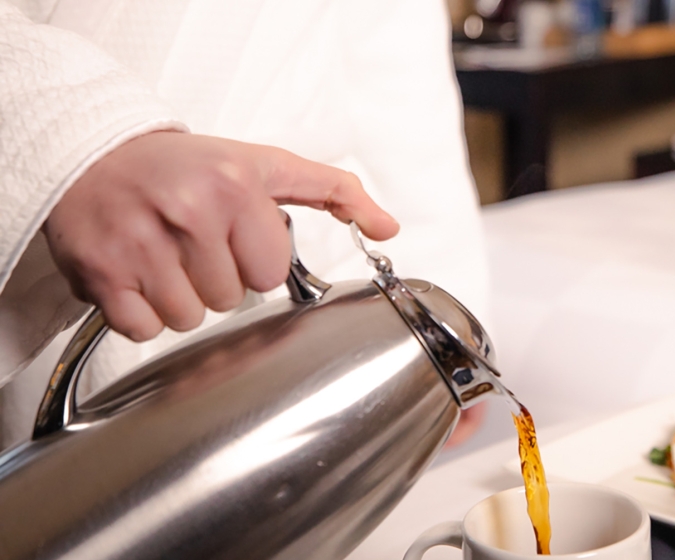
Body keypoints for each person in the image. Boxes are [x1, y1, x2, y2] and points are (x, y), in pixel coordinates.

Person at [0, 0, 490, 446]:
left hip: (305, 297)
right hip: (51, 250)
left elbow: (398, 82)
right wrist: (76, 135)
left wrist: (445, 327)